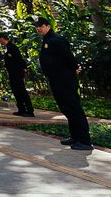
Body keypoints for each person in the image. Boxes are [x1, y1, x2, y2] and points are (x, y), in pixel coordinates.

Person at [34, 17, 91, 149]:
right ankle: (75, 136)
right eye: (37, 26)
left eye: (41, 26)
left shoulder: (56, 40)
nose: (38, 28)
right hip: (56, 79)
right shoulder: (47, 40)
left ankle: (84, 140)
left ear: (48, 26)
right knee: (66, 108)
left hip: (64, 80)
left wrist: (74, 68)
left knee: (73, 108)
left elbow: (68, 56)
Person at [0, 32, 34, 117]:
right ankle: (21, 109)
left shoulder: (12, 47)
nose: (0, 42)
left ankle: (29, 110)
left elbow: (19, 58)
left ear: (3, 38)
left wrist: (24, 68)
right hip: (12, 73)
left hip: (17, 73)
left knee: (22, 91)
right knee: (16, 91)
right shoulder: (7, 48)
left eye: (0, 40)